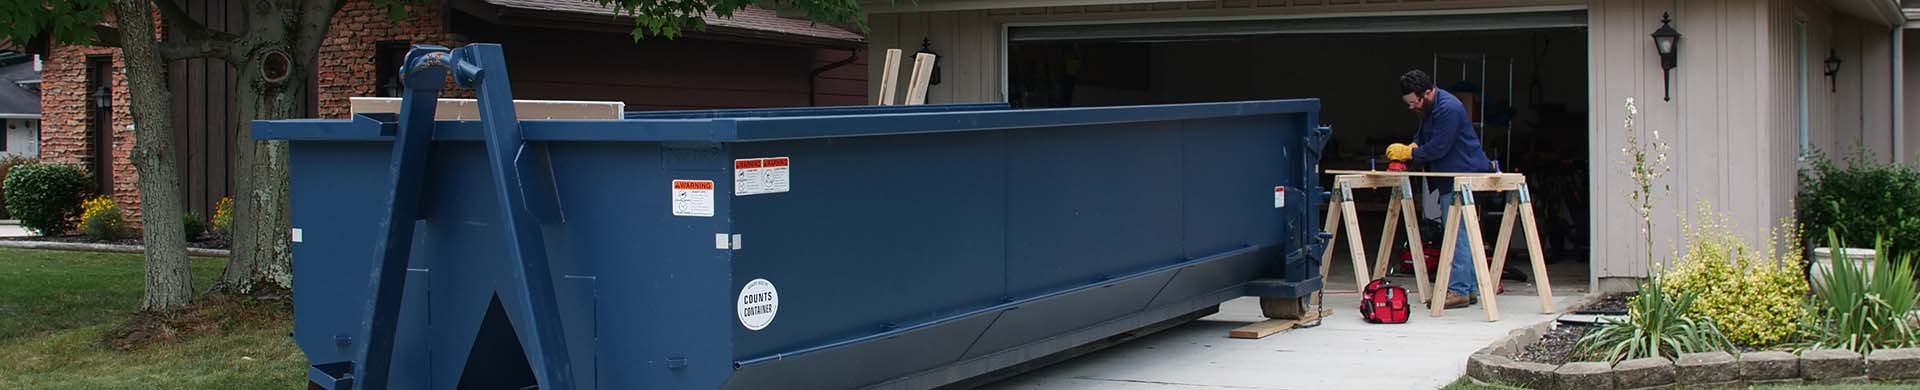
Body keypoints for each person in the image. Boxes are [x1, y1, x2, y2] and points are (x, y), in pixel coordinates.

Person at [1388, 70, 1494, 310]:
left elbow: (1438, 147)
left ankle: (1458, 290)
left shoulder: (1449, 109)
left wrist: (1409, 153)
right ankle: (1468, 288)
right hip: (1451, 177)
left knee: (1458, 234)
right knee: (1460, 232)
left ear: (1427, 92)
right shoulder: (1428, 109)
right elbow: (1423, 137)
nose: (1412, 107)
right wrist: (1413, 146)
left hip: (1462, 175)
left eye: (1414, 102)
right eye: (1408, 104)